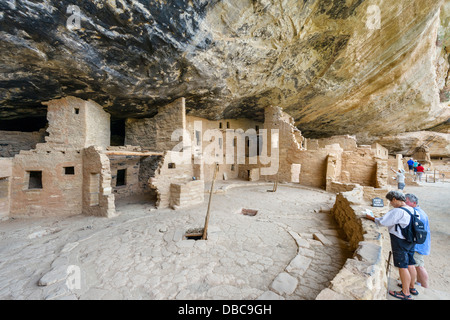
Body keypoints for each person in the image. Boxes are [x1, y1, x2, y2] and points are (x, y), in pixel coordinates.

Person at [365, 190, 418, 300]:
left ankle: (405, 292)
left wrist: (371, 218)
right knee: (410, 263)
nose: (391, 203)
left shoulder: (398, 211)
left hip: (400, 241)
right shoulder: (411, 209)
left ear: (394, 199)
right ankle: (412, 287)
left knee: (402, 266)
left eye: (390, 201)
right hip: (410, 240)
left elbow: (383, 222)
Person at [405, 193, 430, 288]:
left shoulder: (418, 214)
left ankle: (425, 286)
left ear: (414, 203)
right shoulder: (417, 211)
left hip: (418, 244)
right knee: (416, 264)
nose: (404, 203)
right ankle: (419, 282)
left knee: (419, 265)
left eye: (406, 201)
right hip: (419, 243)